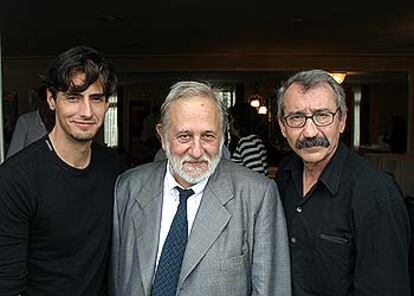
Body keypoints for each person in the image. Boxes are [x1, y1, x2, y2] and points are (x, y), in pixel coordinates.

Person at [109, 81, 291, 296]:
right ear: (163, 136)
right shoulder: (129, 187)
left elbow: (271, 290)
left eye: (208, 136)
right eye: (184, 136)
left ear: (222, 135)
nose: (196, 151)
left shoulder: (257, 195)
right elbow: (118, 280)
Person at [275, 69, 410, 296]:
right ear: (282, 126)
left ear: (342, 121)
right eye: (296, 117)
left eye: (322, 115)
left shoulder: (377, 194)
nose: (309, 132)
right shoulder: (285, 175)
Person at [0, 46, 119, 295]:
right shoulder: (15, 179)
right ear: (52, 100)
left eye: (95, 98)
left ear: (106, 103)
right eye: (73, 97)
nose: (86, 112)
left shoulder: (113, 167)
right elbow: (7, 284)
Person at [6, 86, 55, 158]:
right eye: (45, 104)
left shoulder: (62, 122)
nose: (49, 108)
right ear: (40, 102)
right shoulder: (26, 122)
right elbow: (13, 155)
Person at [230, 103, 269, 175]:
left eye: (231, 119)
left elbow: (256, 178)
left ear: (238, 122)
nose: (229, 124)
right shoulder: (254, 140)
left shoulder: (247, 143)